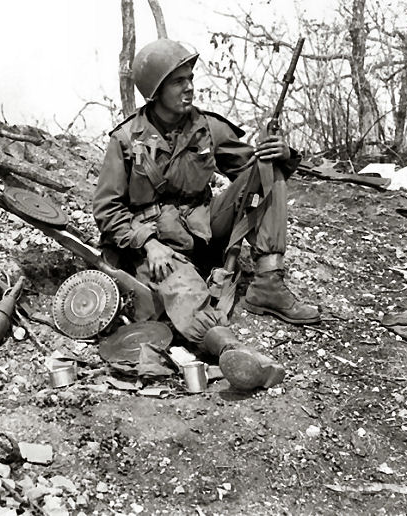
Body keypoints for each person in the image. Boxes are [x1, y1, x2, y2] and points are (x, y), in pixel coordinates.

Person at [93, 39, 320, 390]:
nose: (189, 88)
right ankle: (229, 349)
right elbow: (107, 209)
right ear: (155, 91)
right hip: (159, 244)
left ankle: (268, 284)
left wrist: (282, 153)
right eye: (178, 81)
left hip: (204, 228)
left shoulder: (206, 127)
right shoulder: (125, 140)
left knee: (268, 169)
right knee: (179, 285)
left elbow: (253, 171)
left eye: (190, 78)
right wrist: (148, 243)